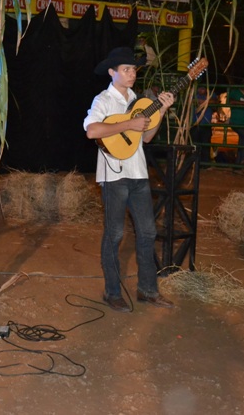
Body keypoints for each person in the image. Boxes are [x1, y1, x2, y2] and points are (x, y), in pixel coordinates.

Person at [83, 47, 175, 313]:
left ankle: (148, 290)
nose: (132, 73)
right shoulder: (103, 100)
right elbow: (92, 131)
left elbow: (146, 137)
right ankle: (112, 292)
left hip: (138, 174)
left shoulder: (140, 101)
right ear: (112, 73)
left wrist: (161, 112)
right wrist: (127, 125)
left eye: (134, 69)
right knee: (115, 234)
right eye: (126, 69)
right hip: (114, 176)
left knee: (148, 232)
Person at [227, 82, 244, 172]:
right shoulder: (235, 92)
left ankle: (237, 166)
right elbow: (231, 102)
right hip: (236, 122)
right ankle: (243, 159)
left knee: (242, 142)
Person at [191, 86, 218, 165]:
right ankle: (195, 163)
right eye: (200, 88)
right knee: (195, 144)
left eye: (203, 88)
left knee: (205, 145)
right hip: (194, 124)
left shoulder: (210, 94)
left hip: (205, 124)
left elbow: (215, 102)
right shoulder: (193, 93)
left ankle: (205, 163)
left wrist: (202, 101)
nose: (201, 90)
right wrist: (205, 102)